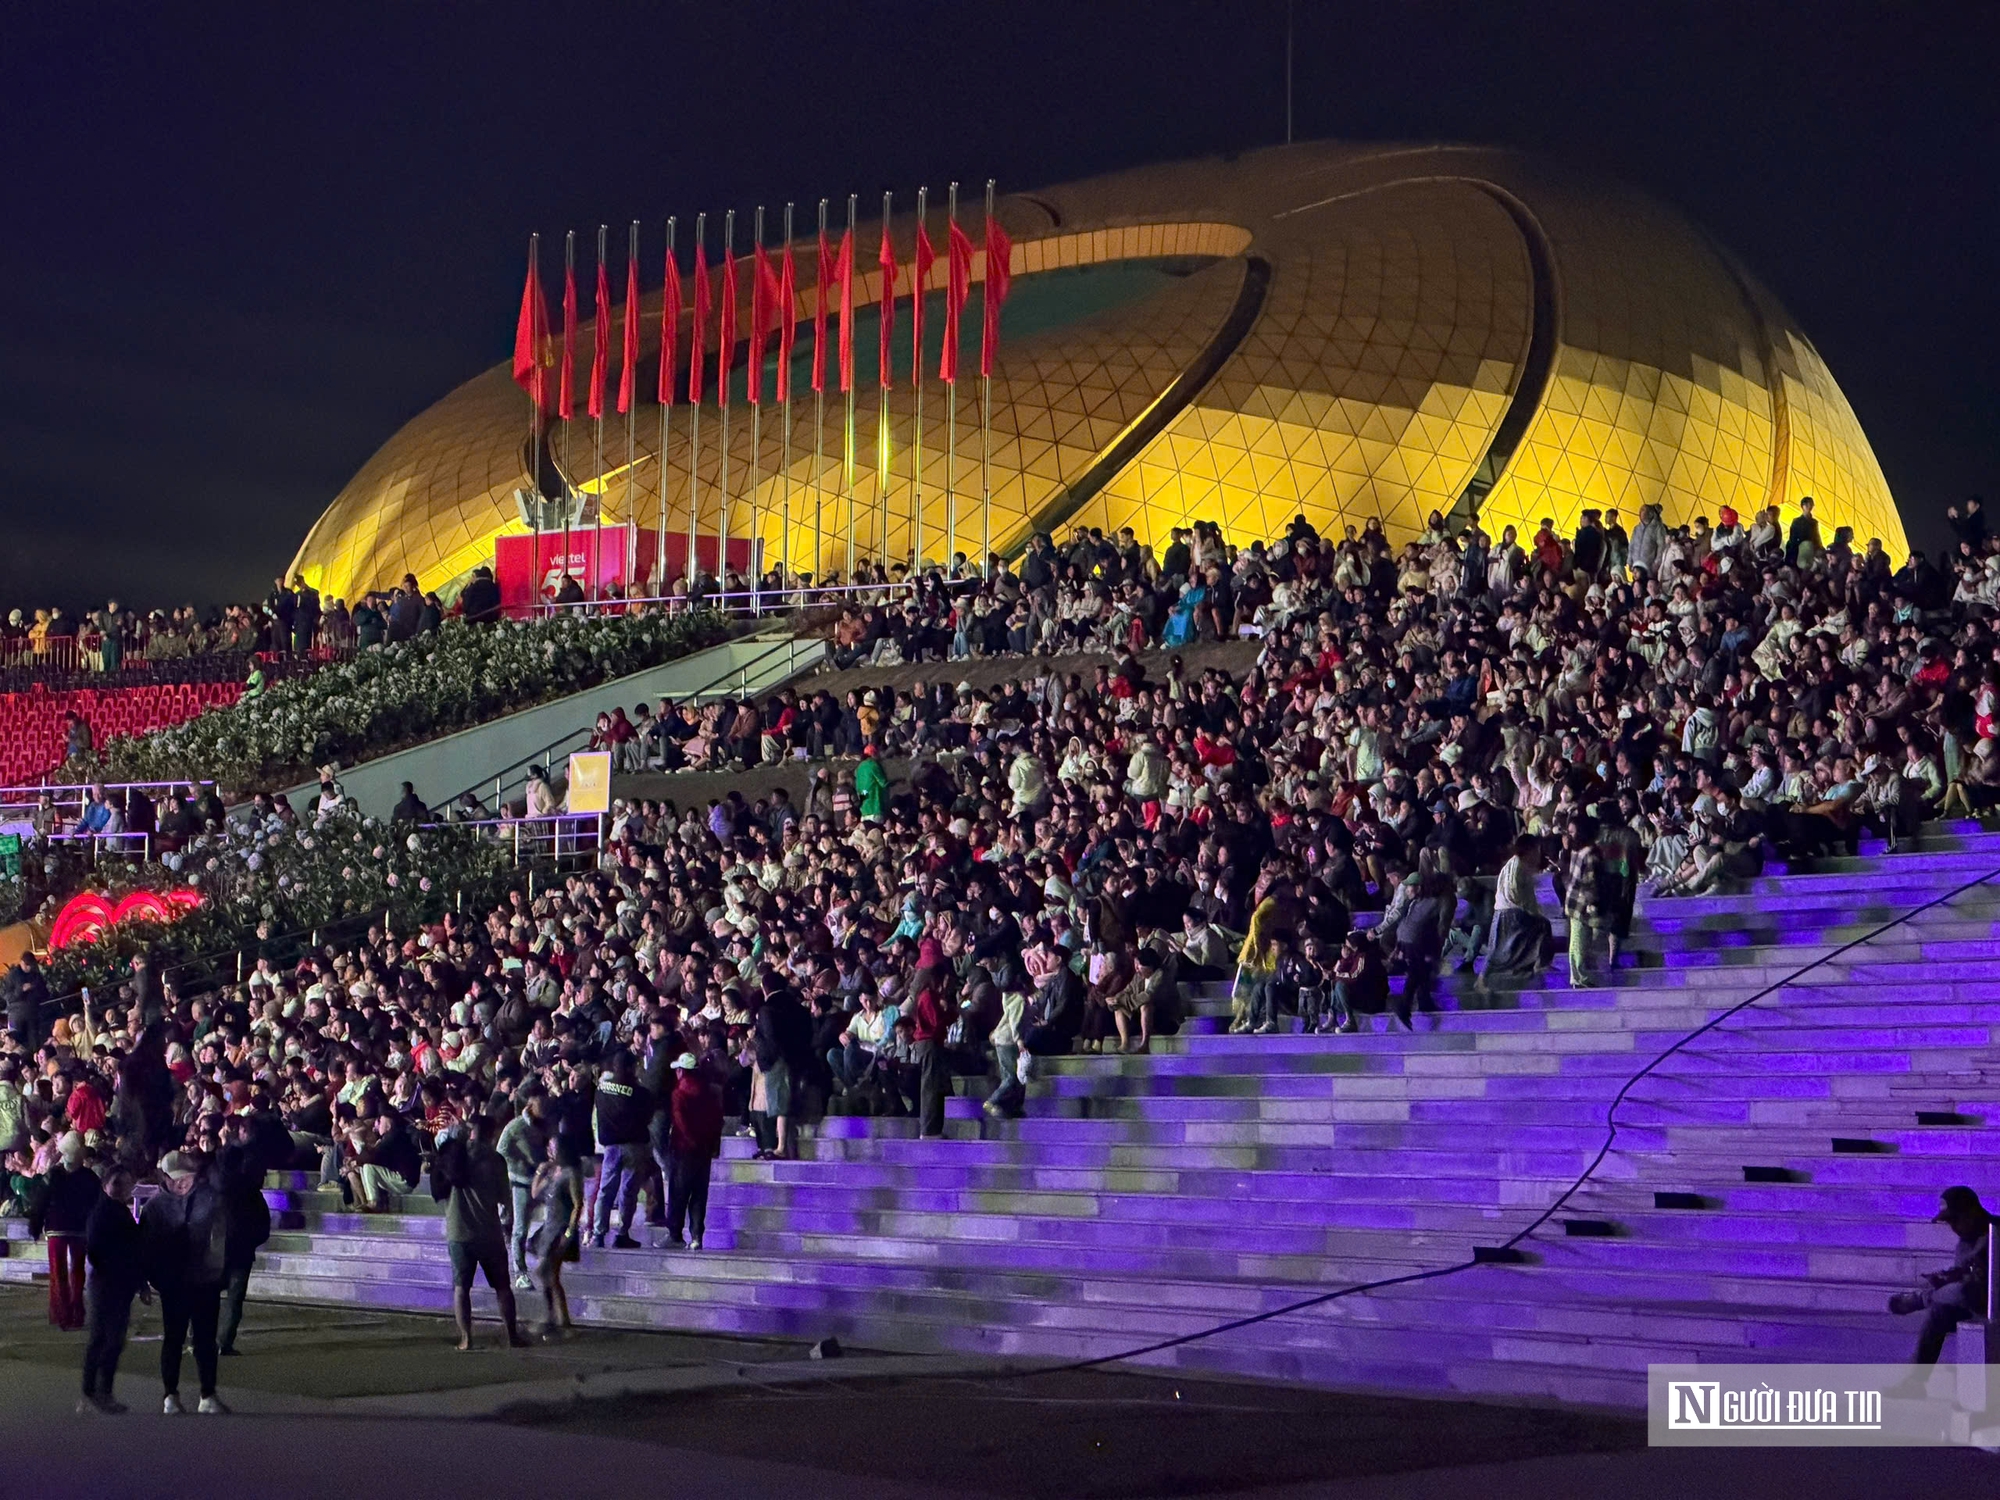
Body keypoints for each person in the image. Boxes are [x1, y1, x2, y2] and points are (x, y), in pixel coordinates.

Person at [142, 1133, 232, 1415]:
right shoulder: (154, 1207)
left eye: (187, 1177)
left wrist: (221, 1271)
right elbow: (145, 1246)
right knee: (174, 1337)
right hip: (173, 1282)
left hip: (205, 1279)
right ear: (165, 1178)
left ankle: (208, 1393)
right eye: (176, 1178)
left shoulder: (210, 1200)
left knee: (205, 1338)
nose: (182, 1182)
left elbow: (222, 1238)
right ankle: (171, 1393)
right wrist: (150, 1278)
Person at [432, 1113, 529, 1350]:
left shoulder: (453, 1155)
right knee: (503, 1287)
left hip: (458, 1231)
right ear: (491, 1133)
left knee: (461, 1288)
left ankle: (466, 1338)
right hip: (489, 1231)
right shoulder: (496, 1160)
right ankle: (512, 1335)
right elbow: (504, 1198)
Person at [1888, 1185, 1992, 1381]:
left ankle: (1921, 1300)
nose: (1953, 1228)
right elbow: (1967, 1273)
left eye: (1955, 1220)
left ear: (1972, 1212)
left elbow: (1981, 1282)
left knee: (1963, 1290)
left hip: (1991, 1301)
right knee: (1939, 1314)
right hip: (1976, 1301)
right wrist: (1947, 1278)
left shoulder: (1994, 1233)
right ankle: (1915, 1382)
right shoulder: (1965, 1241)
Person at [80, 1165, 147, 1414]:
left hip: (118, 1282)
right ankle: (99, 1391)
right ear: (105, 1184)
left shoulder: (119, 1211)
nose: (122, 1189)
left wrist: (139, 1282)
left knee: (105, 1338)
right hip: (108, 1283)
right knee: (108, 1339)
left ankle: (93, 1390)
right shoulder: (102, 1213)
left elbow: (134, 1250)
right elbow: (97, 1252)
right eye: (117, 1184)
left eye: (126, 1184)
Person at [29, 1130, 99, 1330]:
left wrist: (35, 1226)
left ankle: (61, 1314)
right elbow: (97, 1204)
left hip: (57, 1227)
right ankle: (76, 1313)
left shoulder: (53, 1175)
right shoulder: (89, 1177)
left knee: (58, 1273)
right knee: (77, 1272)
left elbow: (39, 1203)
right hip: (79, 1229)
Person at [590, 1049, 651, 1248]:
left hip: (610, 1147)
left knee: (605, 1191)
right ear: (630, 1067)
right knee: (628, 1192)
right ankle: (622, 1233)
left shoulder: (601, 1090)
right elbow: (647, 1116)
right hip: (634, 1146)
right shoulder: (641, 1093)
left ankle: (598, 1234)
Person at [665, 1052, 723, 1251]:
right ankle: (697, 1236)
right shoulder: (710, 1092)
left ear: (681, 1071)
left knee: (678, 1193)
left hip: (684, 1150)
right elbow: (717, 1121)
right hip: (704, 1151)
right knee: (699, 1195)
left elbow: (679, 1121)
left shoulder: (679, 1093)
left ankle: (675, 1235)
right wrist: (713, 1145)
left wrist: (689, 1141)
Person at [526, 1135, 583, 1338]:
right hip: (548, 1228)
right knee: (549, 1276)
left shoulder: (570, 1173)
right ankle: (559, 1320)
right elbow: (535, 1194)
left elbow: (578, 1204)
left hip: (560, 1229)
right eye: (549, 1147)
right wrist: (541, 1171)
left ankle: (555, 1319)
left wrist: (569, 1232)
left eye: (553, 1147)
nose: (550, 1151)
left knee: (545, 1272)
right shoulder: (553, 1173)